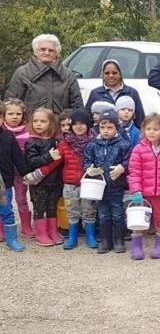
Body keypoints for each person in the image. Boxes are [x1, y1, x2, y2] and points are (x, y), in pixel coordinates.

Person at [128, 114, 160, 260]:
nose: (151, 132)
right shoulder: (139, 149)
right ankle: (136, 246)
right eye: (148, 128)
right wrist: (136, 190)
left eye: (155, 129)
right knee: (138, 219)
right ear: (143, 130)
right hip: (142, 192)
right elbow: (134, 172)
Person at [83, 109, 131, 254]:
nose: (105, 131)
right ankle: (105, 240)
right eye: (102, 127)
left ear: (117, 127)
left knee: (117, 214)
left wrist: (122, 168)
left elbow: (129, 160)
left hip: (116, 186)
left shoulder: (123, 144)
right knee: (103, 215)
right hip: (99, 187)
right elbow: (87, 159)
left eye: (109, 127)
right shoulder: (93, 144)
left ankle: (119, 240)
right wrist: (89, 169)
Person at [5, 34, 83, 117]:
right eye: (43, 49)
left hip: (59, 127)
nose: (47, 52)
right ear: (35, 51)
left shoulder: (67, 75)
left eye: (51, 50)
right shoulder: (22, 73)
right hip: (29, 127)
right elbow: (11, 105)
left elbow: (77, 106)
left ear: (57, 53)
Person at [56, 109, 97, 250]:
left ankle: (90, 236)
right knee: (72, 210)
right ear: (71, 125)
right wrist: (38, 173)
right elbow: (55, 162)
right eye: (75, 124)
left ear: (88, 125)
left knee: (89, 210)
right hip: (70, 184)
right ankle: (72, 237)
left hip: (89, 183)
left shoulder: (95, 142)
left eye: (83, 123)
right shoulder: (64, 143)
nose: (79, 127)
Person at [24, 108, 64, 247]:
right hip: (39, 182)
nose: (38, 124)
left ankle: (53, 231)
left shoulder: (55, 141)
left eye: (43, 121)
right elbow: (31, 162)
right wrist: (48, 157)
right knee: (40, 207)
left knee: (52, 206)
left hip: (55, 181)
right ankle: (41, 233)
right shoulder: (31, 142)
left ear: (51, 123)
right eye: (35, 121)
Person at [0, 102, 31, 251]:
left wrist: (28, 174)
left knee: (7, 209)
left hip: (4, 182)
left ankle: (12, 239)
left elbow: (18, 158)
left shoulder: (7, 136)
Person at [85, 60, 145, 127]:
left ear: (120, 74)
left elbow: (140, 119)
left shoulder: (132, 93)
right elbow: (88, 119)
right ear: (103, 75)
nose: (111, 75)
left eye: (114, 73)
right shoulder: (95, 93)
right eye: (107, 73)